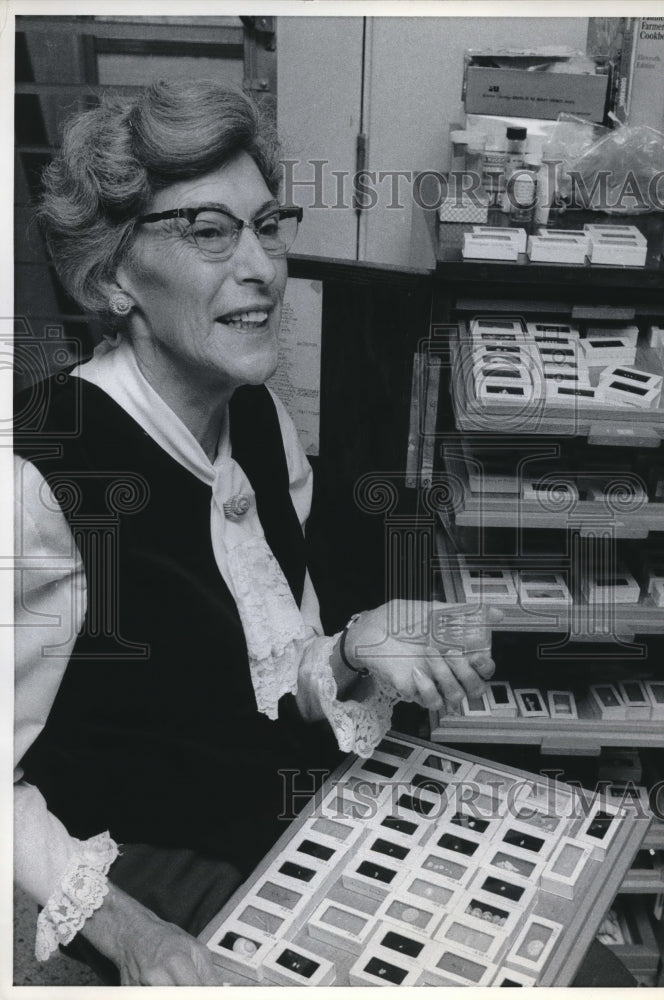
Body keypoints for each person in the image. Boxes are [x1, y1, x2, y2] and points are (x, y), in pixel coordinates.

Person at [13, 78, 497, 986]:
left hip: (269, 810)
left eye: (267, 224)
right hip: (140, 861)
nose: (262, 267)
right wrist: (130, 934)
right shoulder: (40, 475)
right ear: (112, 276)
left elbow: (271, 675)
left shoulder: (263, 421)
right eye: (207, 230)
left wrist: (353, 649)